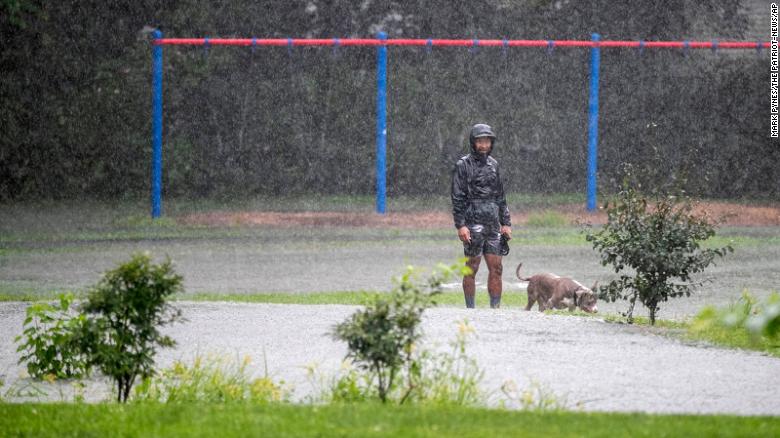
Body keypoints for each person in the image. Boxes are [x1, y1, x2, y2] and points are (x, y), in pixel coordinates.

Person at [451, 123, 512, 309]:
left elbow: (501, 196)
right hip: (472, 222)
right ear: (473, 143)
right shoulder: (462, 165)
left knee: (497, 268)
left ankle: (495, 309)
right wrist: (460, 225)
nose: (483, 145)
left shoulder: (494, 165)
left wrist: (506, 222)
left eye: (487, 141)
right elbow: (457, 197)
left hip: (493, 223)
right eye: (480, 141)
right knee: (471, 268)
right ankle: (471, 309)